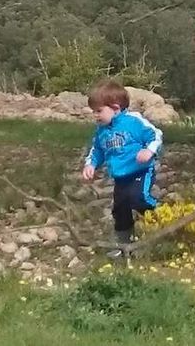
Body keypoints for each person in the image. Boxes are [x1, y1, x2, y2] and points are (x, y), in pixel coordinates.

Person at [81, 79, 163, 257]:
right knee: (120, 209)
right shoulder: (101, 131)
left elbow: (156, 135)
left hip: (140, 170)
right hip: (120, 177)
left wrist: (149, 150)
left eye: (99, 111)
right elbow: (97, 150)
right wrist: (91, 164)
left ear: (116, 108)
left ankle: (161, 217)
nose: (95, 115)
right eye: (93, 111)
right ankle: (123, 244)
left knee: (138, 198)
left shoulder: (133, 122)